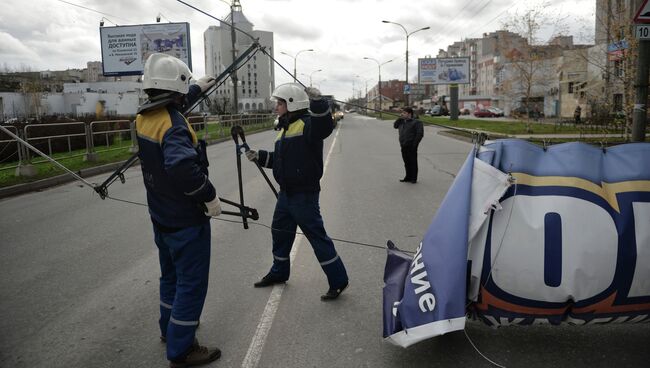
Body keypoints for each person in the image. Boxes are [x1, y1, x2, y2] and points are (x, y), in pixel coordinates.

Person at [136, 53, 221, 368]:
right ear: (175, 90)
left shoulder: (145, 118)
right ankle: (182, 350)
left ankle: (168, 329)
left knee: (170, 276)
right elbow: (183, 166)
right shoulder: (173, 126)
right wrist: (209, 197)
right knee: (191, 283)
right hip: (186, 220)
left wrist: (196, 88)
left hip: (161, 217)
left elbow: (172, 106)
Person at [244, 83, 349, 300]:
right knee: (280, 233)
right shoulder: (284, 127)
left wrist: (318, 100)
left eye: (280, 103)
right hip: (286, 195)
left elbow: (324, 126)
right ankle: (279, 273)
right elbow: (281, 161)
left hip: (304, 195)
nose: (276, 107)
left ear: (291, 104)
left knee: (316, 237)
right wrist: (260, 156)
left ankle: (339, 281)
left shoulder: (308, 124)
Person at [393, 107, 424, 183]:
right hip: (403, 145)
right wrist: (399, 118)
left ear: (409, 114)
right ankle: (407, 177)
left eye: (404, 113)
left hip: (411, 145)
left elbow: (419, 134)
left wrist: (415, 144)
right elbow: (395, 126)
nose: (402, 114)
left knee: (413, 162)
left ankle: (413, 178)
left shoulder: (417, 122)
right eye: (402, 113)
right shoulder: (402, 121)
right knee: (406, 162)